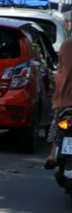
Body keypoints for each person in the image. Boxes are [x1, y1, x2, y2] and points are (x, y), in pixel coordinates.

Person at [45, 40, 72, 169]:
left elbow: (60, 70)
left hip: (64, 99)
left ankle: (52, 154)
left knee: (58, 125)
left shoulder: (66, 45)